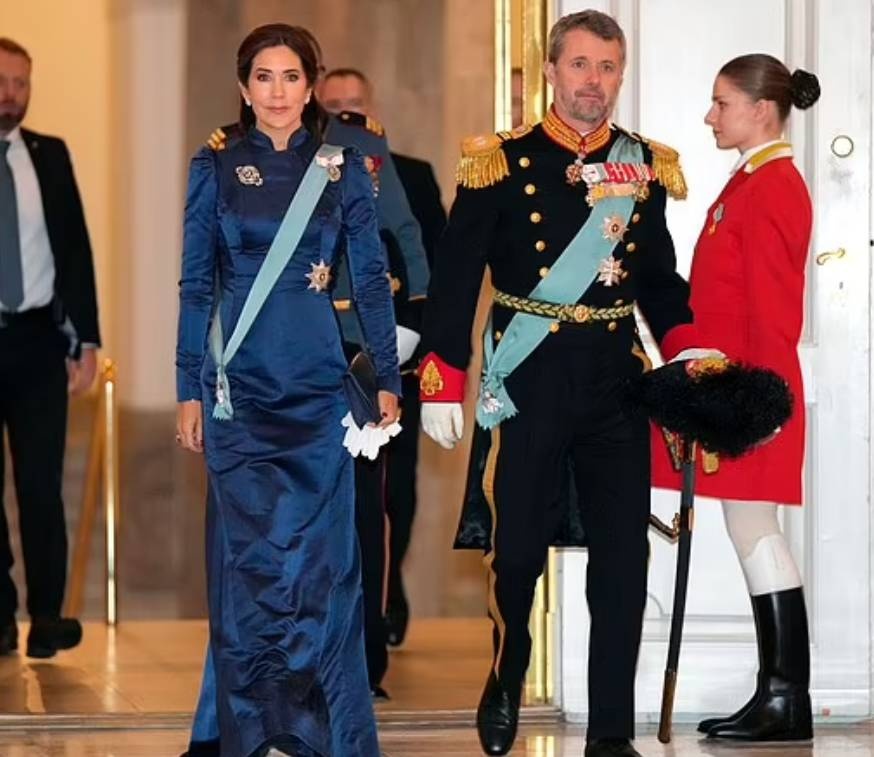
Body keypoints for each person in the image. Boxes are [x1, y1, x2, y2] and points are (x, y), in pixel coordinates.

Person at [418, 10, 703, 757]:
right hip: (528, 378)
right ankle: (508, 666)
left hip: (615, 381)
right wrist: (442, 380)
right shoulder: (499, 162)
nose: (593, 82)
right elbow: (455, 280)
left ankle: (610, 731)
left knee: (623, 561)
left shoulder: (644, 166)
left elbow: (658, 280)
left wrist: (687, 351)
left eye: (607, 67)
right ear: (550, 71)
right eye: (579, 65)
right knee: (516, 551)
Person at [175, 23, 400, 757]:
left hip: (317, 391)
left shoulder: (344, 169)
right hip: (237, 393)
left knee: (320, 569)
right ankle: (248, 731)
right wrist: (187, 387)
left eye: (291, 77)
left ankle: (316, 729)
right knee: (246, 569)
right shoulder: (213, 166)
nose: (277, 92)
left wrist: (387, 378)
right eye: (263, 78)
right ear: (244, 89)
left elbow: (371, 278)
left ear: (312, 86)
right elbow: (195, 285)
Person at [652, 54, 821, 743]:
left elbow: (776, 313)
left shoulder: (774, 185)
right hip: (739, 390)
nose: (710, 116)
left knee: (755, 530)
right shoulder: (752, 180)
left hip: (754, 394)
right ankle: (780, 695)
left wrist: (758, 405)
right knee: (751, 530)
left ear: (761, 109)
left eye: (722, 103)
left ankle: (785, 695)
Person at [320, 67, 445, 649]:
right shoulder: (307, 161)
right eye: (334, 103)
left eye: (356, 102)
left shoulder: (404, 172)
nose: (346, 113)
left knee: (392, 492)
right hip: (325, 346)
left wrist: (420, 344)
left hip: (391, 352)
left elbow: (427, 263)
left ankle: (383, 603)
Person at [0, 37, 100, 660]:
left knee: (41, 483)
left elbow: (76, 251)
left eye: (21, 83)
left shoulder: (51, 155)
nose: (11, 95)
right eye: (2, 81)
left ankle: (46, 616)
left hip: (38, 342)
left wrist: (86, 339)